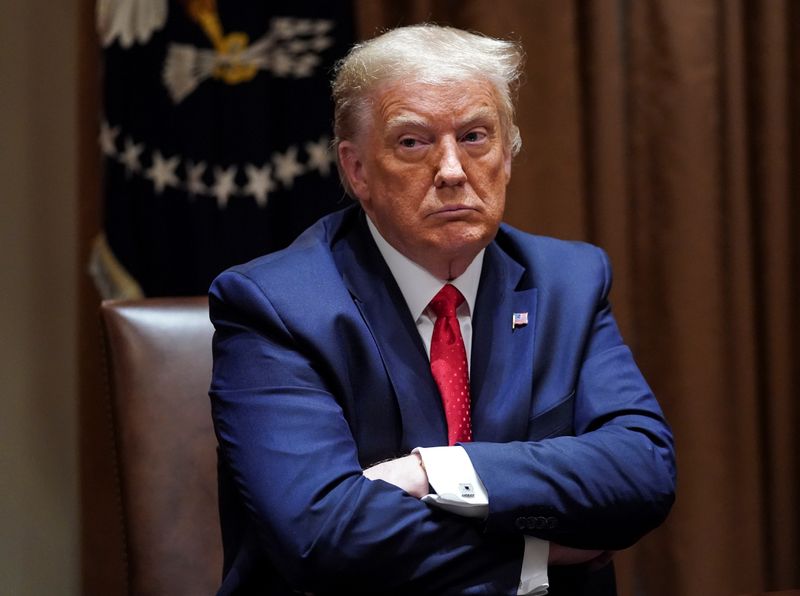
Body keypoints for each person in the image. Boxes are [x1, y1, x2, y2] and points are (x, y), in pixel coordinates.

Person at [209, 24, 676, 596]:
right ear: (356, 170)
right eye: (413, 142)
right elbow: (323, 535)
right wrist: (538, 554)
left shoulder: (568, 283)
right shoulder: (276, 307)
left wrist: (435, 471)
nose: (453, 170)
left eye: (476, 136)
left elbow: (642, 472)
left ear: (507, 155)